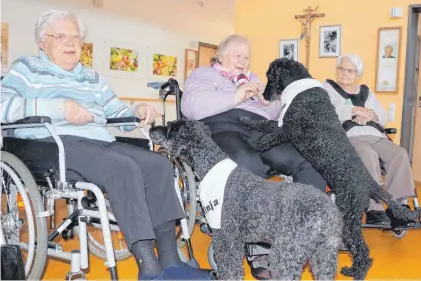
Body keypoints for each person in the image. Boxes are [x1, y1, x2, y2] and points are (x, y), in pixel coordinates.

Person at [0, 9, 213, 280]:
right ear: (43, 43)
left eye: (76, 38)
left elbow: (116, 110)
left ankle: (172, 263)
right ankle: (150, 269)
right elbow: (3, 104)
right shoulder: (26, 69)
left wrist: (137, 110)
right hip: (54, 144)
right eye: (61, 36)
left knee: (159, 164)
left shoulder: (91, 77)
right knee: (122, 168)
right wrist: (60, 108)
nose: (71, 43)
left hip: (99, 141)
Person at [181, 34, 326, 279]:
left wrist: (266, 101)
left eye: (246, 57)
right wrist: (236, 96)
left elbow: (275, 112)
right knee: (247, 166)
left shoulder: (254, 79)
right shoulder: (203, 75)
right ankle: (258, 246)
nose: (243, 61)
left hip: (259, 128)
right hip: (221, 127)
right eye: (237, 55)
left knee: (308, 159)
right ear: (220, 55)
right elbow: (191, 107)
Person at [323, 54, 415, 225]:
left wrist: (371, 114)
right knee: (368, 154)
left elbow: (383, 116)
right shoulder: (328, 88)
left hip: (374, 135)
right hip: (349, 138)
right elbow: (326, 112)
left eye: (350, 70)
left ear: (357, 74)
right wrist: (353, 111)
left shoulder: (366, 92)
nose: (344, 73)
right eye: (341, 69)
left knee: (399, 154)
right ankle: (375, 208)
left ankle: (398, 206)